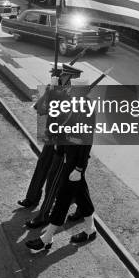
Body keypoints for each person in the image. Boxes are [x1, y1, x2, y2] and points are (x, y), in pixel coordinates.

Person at [26, 84, 96, 252]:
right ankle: (90, 229)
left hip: (76, 163)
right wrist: (60, 148)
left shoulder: (87, 109)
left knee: (62, 199)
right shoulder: (71, 104)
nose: (70, 93)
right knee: (82, 196)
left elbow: (87, 141)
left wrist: (79, 168)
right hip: (68, 158)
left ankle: (47, 238)